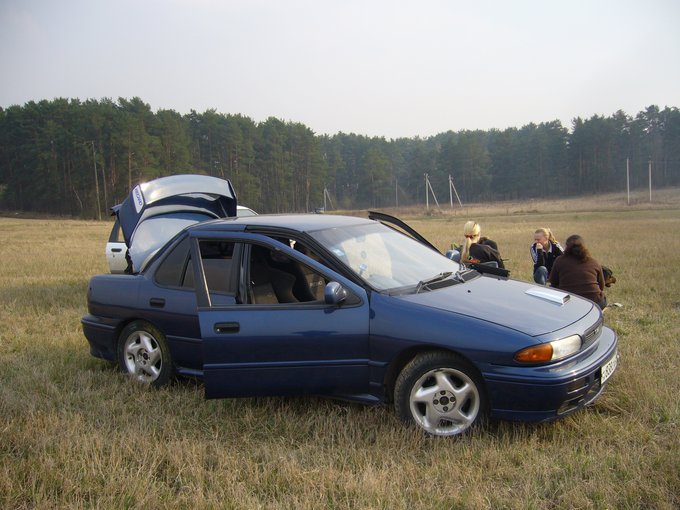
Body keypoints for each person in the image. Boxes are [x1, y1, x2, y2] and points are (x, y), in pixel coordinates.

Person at [548, 235, 606, 308]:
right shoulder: (593, 261)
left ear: (566, 246)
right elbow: (601, 286)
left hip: (570, 302)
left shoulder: (560, 260)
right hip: (595, 303)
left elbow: (553, 282)